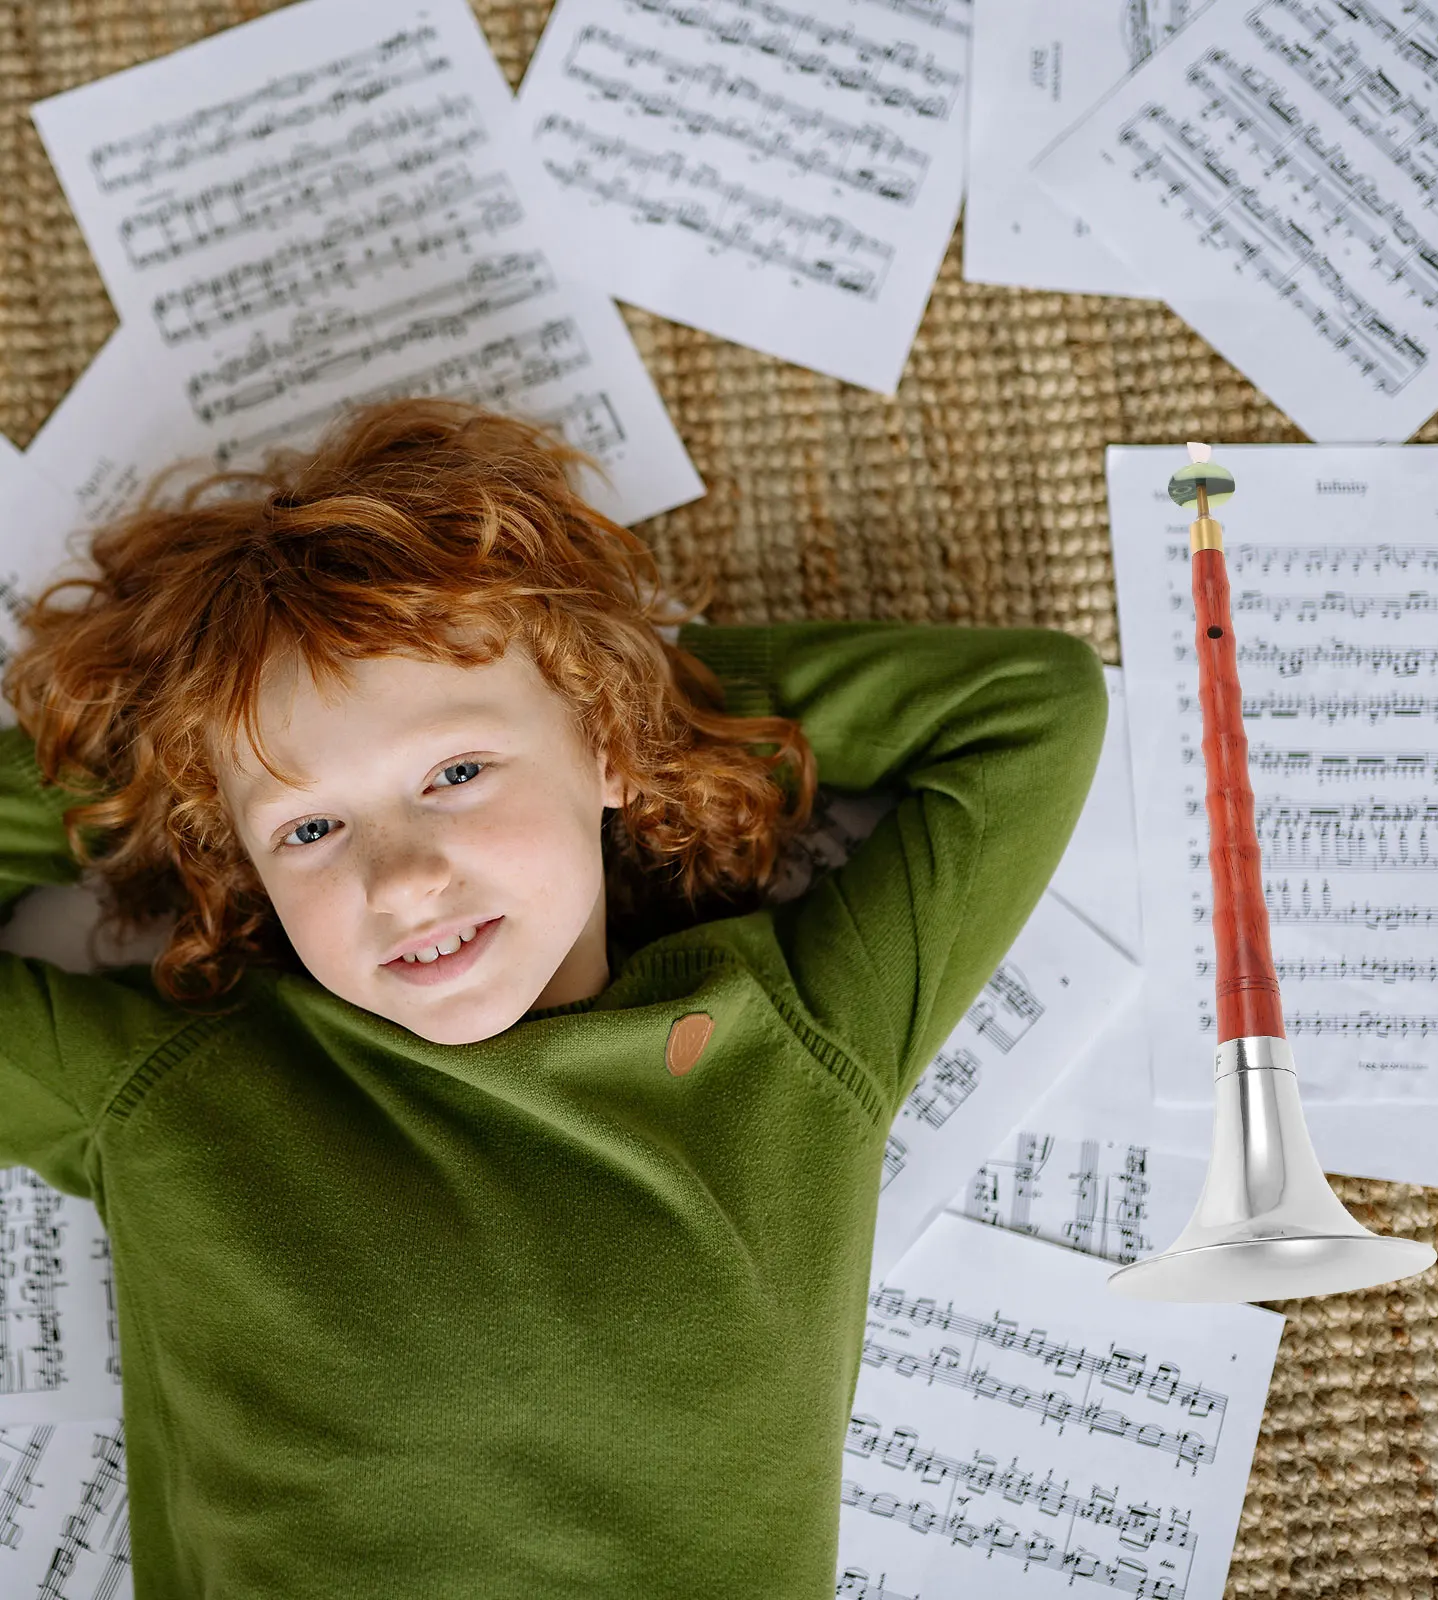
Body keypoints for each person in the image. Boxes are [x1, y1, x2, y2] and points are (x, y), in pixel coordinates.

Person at [0, 397, 1107, 1597]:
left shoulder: (791, 1044)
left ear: (608, 742)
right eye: (310, 825)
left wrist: (617, 675)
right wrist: (165, 764)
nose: (403, 878)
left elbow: (1032, 708)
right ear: (243, 860)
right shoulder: (174, 1094)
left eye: (458, 770)